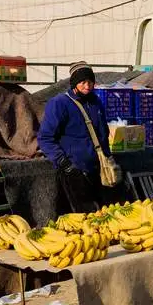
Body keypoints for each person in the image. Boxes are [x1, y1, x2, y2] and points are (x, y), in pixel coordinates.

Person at [38, 61, 113, 213]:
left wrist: (108, 156)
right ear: (74, 83)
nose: (87, 86)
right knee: (84, 215)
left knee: (103, 213)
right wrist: (65, 164)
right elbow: (45, 138)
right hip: (74, 170)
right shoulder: (59, 103)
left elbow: (102, 132)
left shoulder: (95, 102)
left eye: (91, 82)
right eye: (83, 82)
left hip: (97, 169)